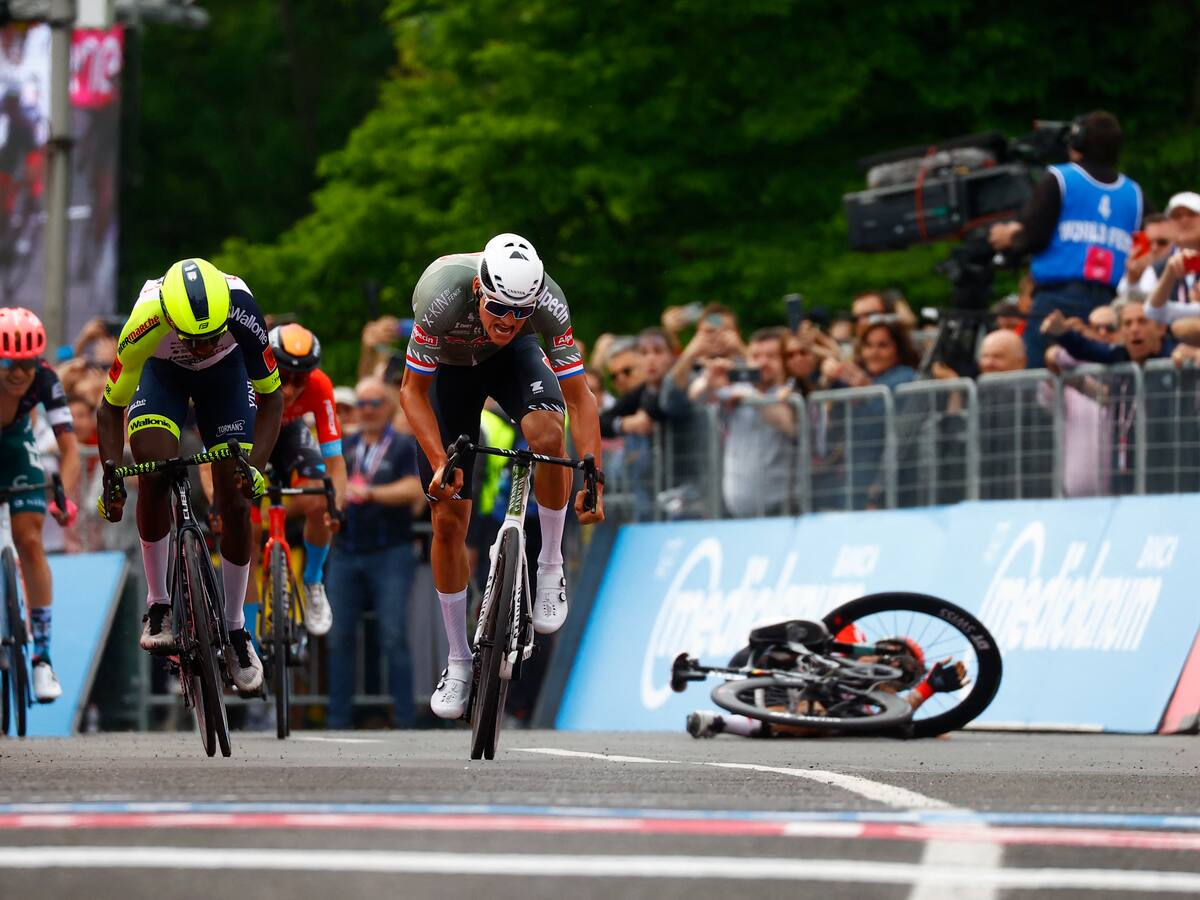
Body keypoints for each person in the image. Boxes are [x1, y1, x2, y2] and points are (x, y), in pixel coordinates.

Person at [398, 233, 605, 719]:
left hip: (511, 365)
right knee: (448, 521)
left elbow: (580, 396)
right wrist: (440, 461)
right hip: (450, 373)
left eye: (520, 312)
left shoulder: (547, 303)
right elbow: (411, 392)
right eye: (498, 310)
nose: (508, 321)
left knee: (548, 435)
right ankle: (458, 660)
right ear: (478, 290)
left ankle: (550, 564)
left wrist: (593, 471)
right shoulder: (441, 293)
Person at [95, 258, 284, 694]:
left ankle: (236, 630)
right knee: (155, 471)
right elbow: (109, 408)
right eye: (192, 339)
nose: (201, 346)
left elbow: (273, 399)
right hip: (161, 378)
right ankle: (158, 604)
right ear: (171, 318)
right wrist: (111, 474)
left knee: (236, 501)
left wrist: (255, 465)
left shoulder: (242, 311)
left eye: (210, 337)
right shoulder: (144, 321)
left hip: (227, 377)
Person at [988, 111, 1143, 368]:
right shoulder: (1134, 193)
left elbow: (1034, 237)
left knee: (1039, 378)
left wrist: (1010, 238)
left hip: (1056, 299)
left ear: (1078, 143)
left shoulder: (1061, 178)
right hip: (1109, 303)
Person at [325, 376, 423, 729]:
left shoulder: (403, 446)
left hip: (390, 550)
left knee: (394, 634)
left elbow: (415, 489)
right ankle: (337, 720)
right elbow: (327, 485)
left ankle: (406, 720)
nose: (366, 410)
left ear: (389, 407)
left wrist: (371, 494)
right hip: (346, 550)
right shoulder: (344, 446)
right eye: (361, 404)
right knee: (339, 636)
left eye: (374, 403)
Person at [686, 621, 968, 739]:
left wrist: (929, 687)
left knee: (817, 724)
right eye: (891, 655)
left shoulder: (868, 709)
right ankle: (723, 723)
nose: (892, 666)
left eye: (904, 673)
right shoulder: (851, 639)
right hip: (772, 659)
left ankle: (719, 723)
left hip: (770, 699)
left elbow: (906, 727)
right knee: (816, 720)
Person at [0, 308, 79, 701]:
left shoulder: (46, 379)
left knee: (30, 539)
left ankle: (42, 659)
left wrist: (62, 495)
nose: (19, 374)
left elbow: (69, 449)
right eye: (9, 365)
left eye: (27, 365)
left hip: (16, 449)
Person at [254, 323, 347, 635]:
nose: (290, 388)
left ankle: (313, 581)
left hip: (290, 434)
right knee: (243, 522)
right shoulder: (246, 377)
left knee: (322, 496)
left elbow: (335, 461)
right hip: (252, 434)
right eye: (282, 376)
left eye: (300, 379)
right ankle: (242, 625)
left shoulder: (320, 386)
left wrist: (336, 507)